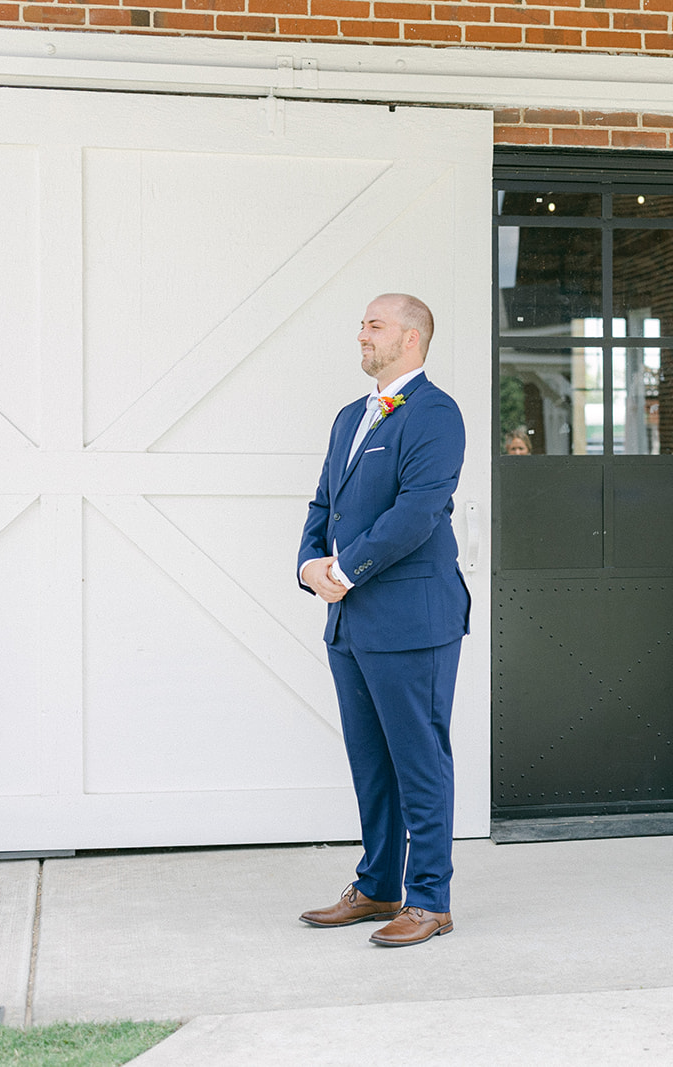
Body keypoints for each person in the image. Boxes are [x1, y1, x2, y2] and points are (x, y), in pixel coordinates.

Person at [296, 293, 470, 946]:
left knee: (419, 761)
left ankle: (429, 899)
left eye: (374, 324)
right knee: (371, 762)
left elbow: (416, 513)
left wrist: (344, 571)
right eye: (362, 322)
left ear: (412, 339)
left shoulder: (436, 414)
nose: (361, 333)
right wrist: (310, 563)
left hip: (412, 621)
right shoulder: (350, 417)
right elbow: (324, 503)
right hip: (350, 625)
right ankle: (377, 887)